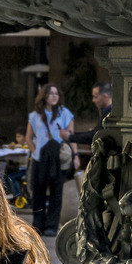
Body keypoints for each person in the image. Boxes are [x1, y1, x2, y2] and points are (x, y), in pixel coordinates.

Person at [24, 84, 75, 238]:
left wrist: (76, 155)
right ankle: (38, 224)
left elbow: (71, 136)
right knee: (38, 191)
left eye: (56, 93)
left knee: (56, 192)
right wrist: (35, 152)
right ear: (44, 96)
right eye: (50, 93)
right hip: (40, 158)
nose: (54, 96)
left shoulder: (65, 113)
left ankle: (52, 226)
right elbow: (28, 137)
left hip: (57, 157)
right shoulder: (35, 115)